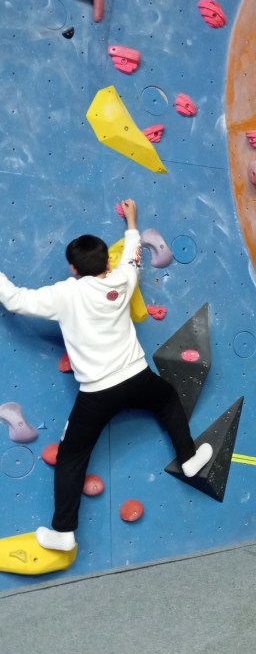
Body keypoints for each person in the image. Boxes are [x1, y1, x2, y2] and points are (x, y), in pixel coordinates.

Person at [0, 199, 213, 552]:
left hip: (98, 394)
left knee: (72, 456)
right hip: (139, 379)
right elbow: (133, 255)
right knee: (167, 398)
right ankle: (189, 459)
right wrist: (132, 222)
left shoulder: (65, 294)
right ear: (107, 263)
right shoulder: (123, 279)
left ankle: (63, 532)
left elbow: (15, 300)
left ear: (72, 268)